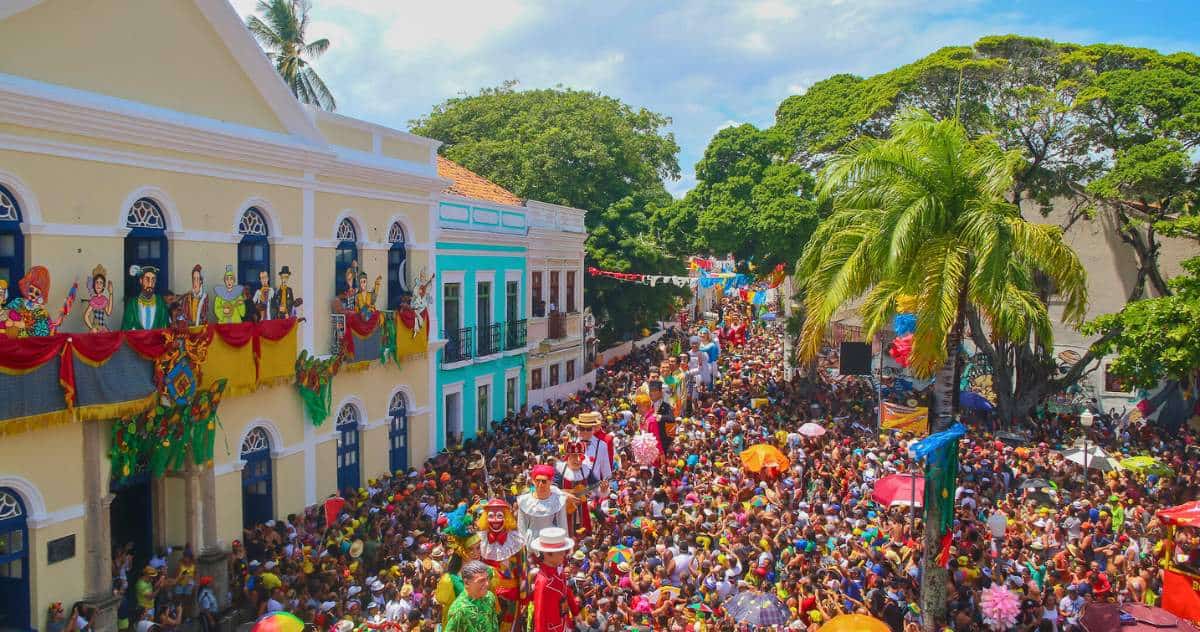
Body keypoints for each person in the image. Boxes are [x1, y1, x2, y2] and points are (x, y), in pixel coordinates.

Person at [476, 498, 524, 632]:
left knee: (510, 626)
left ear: (506, 517)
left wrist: (524, 595)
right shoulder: (480, 539)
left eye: (499, 516)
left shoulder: (516, 540)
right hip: (488, 594)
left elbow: (522, 568)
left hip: (511, 593)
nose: (495, 520)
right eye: (491, 516)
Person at [530, 527, 580, 632]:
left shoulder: (558, 570)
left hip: (564, 624)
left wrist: (575, 612)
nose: (564, 555)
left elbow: (566, 591)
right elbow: (539, 615)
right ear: (548, 554)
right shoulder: (543, 581)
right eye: (560, 552)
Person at [517, 464, 570, 549]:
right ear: (533, 481)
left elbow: (563, 524)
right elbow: (521, 527)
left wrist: (566, 545)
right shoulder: (525, 501)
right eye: (537, 480)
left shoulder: (557, 500)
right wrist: (521, 547)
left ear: (550, 482)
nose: (540, 484)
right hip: (531, 540)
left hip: (551, 538)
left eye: (544, 481)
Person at [444, 560, 499, 632]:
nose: (487, 584)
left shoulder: (489, 597)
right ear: (467, 583)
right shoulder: (459, 610)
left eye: (487, 579)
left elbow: (494, 625)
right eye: (481, 581)